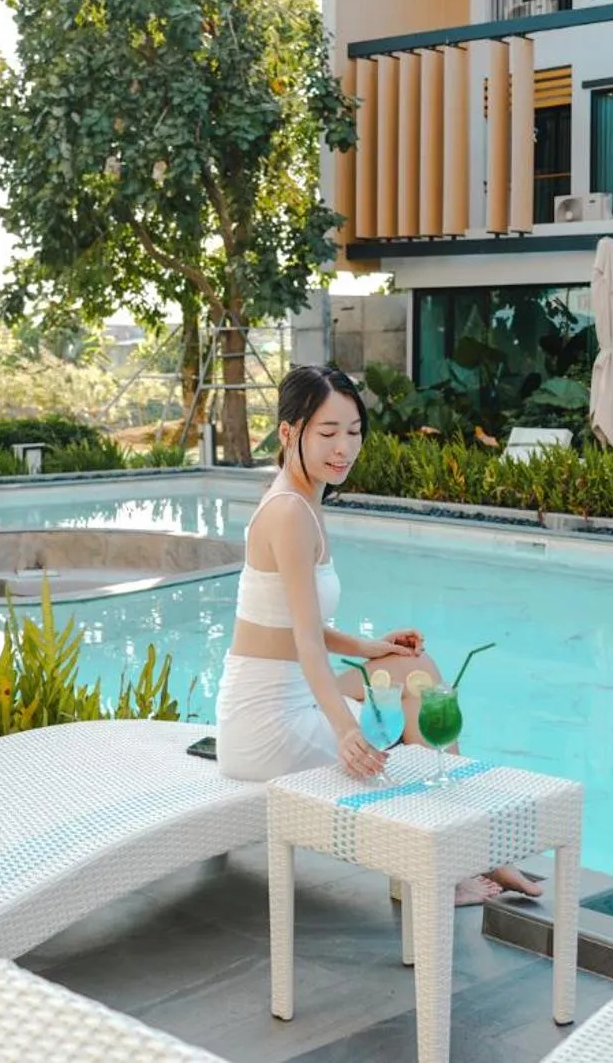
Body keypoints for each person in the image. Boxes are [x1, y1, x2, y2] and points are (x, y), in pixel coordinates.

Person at [215, 364, 543, 905]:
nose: (344, 448)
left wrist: (371, 648)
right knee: (417, 695)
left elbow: (297, 625)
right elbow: (302, 644)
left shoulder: (302, 499)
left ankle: (456, 850)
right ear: (288, 433)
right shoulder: (290, 515)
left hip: (282, 698)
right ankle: (444, 863)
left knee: (415, 670)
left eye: (353, 432)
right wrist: (346, 731)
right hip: (266, 725)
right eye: (327, 433)